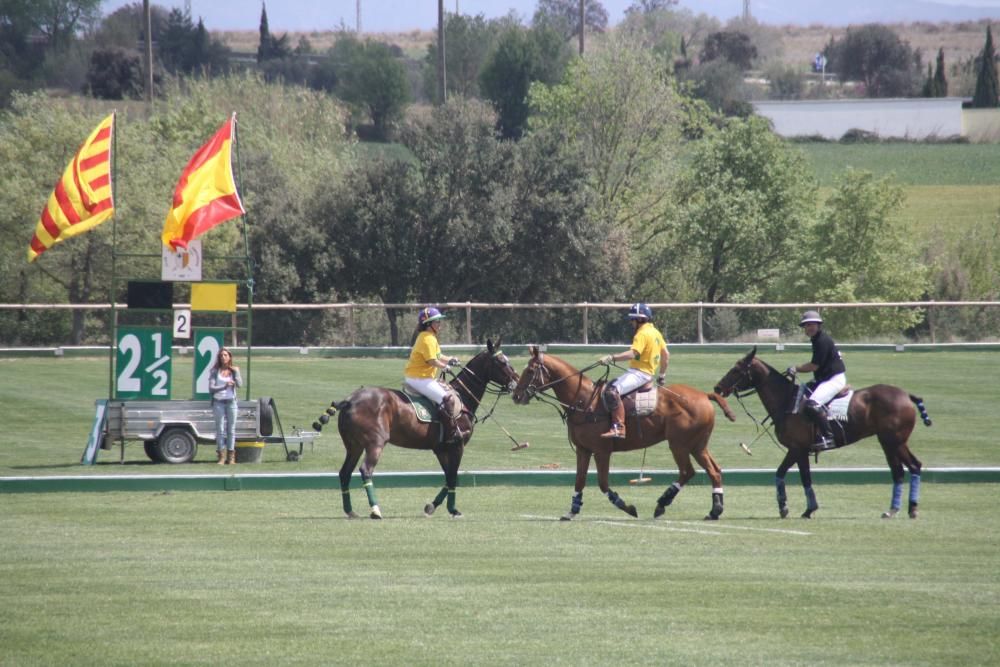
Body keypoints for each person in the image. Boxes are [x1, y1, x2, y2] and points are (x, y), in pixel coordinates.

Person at [597, 302, 669, 439]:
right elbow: (666, 355)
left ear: (639, 319)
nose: (631, 323)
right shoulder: (655, 332)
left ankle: (619, 428)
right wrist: (662, 376)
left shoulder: (642, 334)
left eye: (632, 319)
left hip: (639, 374)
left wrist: (611, 358)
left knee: (612, 391)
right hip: (647, 374)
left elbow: (632, 353)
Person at [786, 310, 846, 452]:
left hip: (834, 379)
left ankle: (828, 437)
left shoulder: (822, 341)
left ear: (819, 325)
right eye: (806, 326)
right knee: (802, 392)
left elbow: (814, 366)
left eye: (812, 325)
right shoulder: (816, 340)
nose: (809, 328)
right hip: (824, 378)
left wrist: (796, 368)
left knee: (812, 404)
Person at [404, 307, 464, 445]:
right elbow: (431, 361)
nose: (439, 324)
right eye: (436, 321)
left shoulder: (430, 337)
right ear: (428, 324)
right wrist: (445, 367)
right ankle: (450, 432)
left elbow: (437, 356)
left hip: (420, 377)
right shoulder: (426, 338)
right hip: (419, 379)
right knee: (447, 399)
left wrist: (450, 359)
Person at [209, 347, 243, 465]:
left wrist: (236, 373)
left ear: (229, 357)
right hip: (219, 402)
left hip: (231, 402)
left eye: (225, 355)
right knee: (220, 430)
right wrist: (224, 386)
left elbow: (240, 385)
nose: (223, 357)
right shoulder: (215, 371)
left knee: (231, 430)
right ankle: (221, 456)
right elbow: (211, 388)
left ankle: (231, 456)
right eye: (221, 355)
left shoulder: (234, 370)